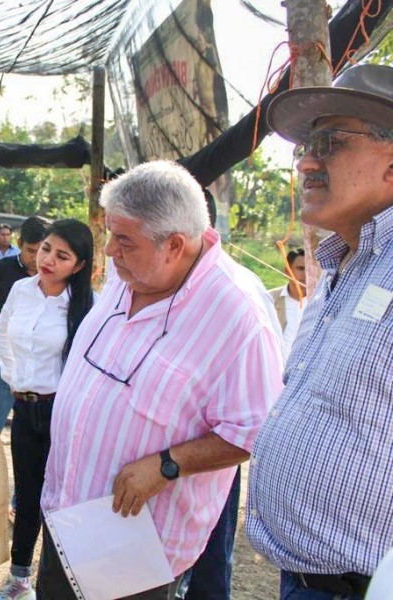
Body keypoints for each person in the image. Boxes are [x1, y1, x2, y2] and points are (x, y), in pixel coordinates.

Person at [38, 160, 284, 599]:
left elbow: (255, 430)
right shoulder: (131, 269)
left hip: (133, 548)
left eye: (123, 240)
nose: (110, 251)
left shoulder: (237, 314)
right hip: (67, 516)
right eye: (111, 234)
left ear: (173, 245)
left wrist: (168, 464)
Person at [247, 63, 393, 600]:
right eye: (307, 145)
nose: (307, 161)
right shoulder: (340, 268)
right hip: (312, 581)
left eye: (330, 142)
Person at [0, 219, 94, 600]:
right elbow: (2, 333)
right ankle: (20, 578)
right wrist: (13, 377)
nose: (47, 259)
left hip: (61, 413)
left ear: (79, 265)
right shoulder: (22, 289)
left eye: (62, 255)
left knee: (61, 497)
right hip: (24, 408)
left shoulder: (85, 305)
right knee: (28, 494)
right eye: (46, 249)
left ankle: (60, 580)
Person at [0, 216, 50, 435]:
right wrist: (12, 320)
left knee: (39, 435)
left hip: (44, 370)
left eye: (43, 251)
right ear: (19, 242)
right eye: (31, 251)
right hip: (3, 366)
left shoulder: (57, 276)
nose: (37, 259)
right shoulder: (0, 269)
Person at [268, 247, 307, 358]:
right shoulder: (270, 298)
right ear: (287, 271)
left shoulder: (322, 302)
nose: (306, 274)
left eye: (309, 269)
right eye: (301, 268)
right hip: (275, 367)